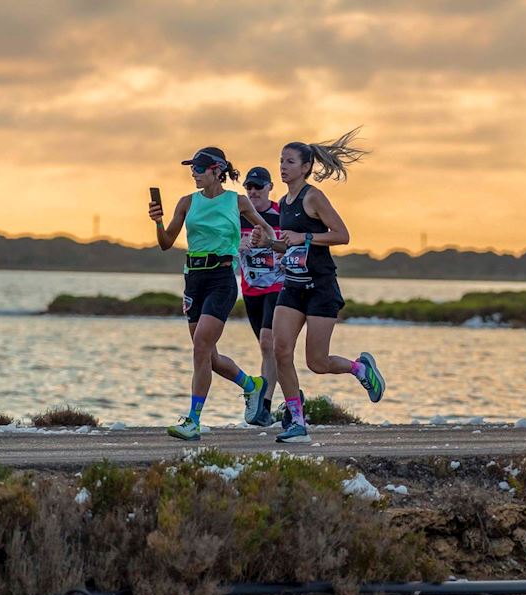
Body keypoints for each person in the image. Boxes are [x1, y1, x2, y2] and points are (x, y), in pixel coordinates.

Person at [149, 146, 275, 440]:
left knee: (200, 347)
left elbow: (267, 230)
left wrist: (259, 236)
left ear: (217, 170)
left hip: (222, 277)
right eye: (191, 169)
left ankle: (192, 421)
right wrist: (157, 221)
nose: (193, 174)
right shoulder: (186, 202)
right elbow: (167, 242)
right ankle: (251, 385)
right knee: (209, 356)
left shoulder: (238, 200)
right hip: (193, 279)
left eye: (198, 169)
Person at [269, 130, 385, 444]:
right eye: (281, 160)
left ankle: (360, 369)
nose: (283, 166)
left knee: (317, 363)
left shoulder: (313, 196)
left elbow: (342, 235)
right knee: (280, 350)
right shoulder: (284, 202)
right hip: (293, 287)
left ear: (305, 167)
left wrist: (305, 238)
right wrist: (267, 243)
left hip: (321, 288)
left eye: (290, 161)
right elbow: (288, 246)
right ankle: (296, 420)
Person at [237, 166, 283, 426]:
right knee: (270, 350)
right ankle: (289, 398)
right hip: (250, 289)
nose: (253, 191)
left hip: (278, 286)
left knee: (268, 343)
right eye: (249, 187)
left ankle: (263, 404)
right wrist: (237, 246)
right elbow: (225, 245)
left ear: (269, 187)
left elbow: (291, 244)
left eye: (258, 187)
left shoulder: (280, 214)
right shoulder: (238, 216)